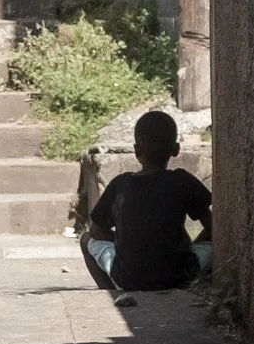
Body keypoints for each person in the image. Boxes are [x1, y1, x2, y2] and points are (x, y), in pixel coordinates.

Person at [84, 107, 212, 296]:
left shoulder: (120, 185)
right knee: (220, 242)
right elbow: (214, 227)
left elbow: (96, 231)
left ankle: (112, 293)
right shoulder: (182, 181)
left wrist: (123, 242)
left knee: (85, 240)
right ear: (176, 149)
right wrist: (187, 250)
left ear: (136, 150)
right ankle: (201, 287)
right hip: (180, 275)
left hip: (128, 278)